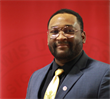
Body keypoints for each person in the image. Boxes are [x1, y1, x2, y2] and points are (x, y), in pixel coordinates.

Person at [26, 9, 110, 99]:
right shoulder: (36, 77)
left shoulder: (104, 74)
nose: (61, 37)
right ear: (47, 39)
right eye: (54, 32)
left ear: (83, 37)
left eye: (69, 31)